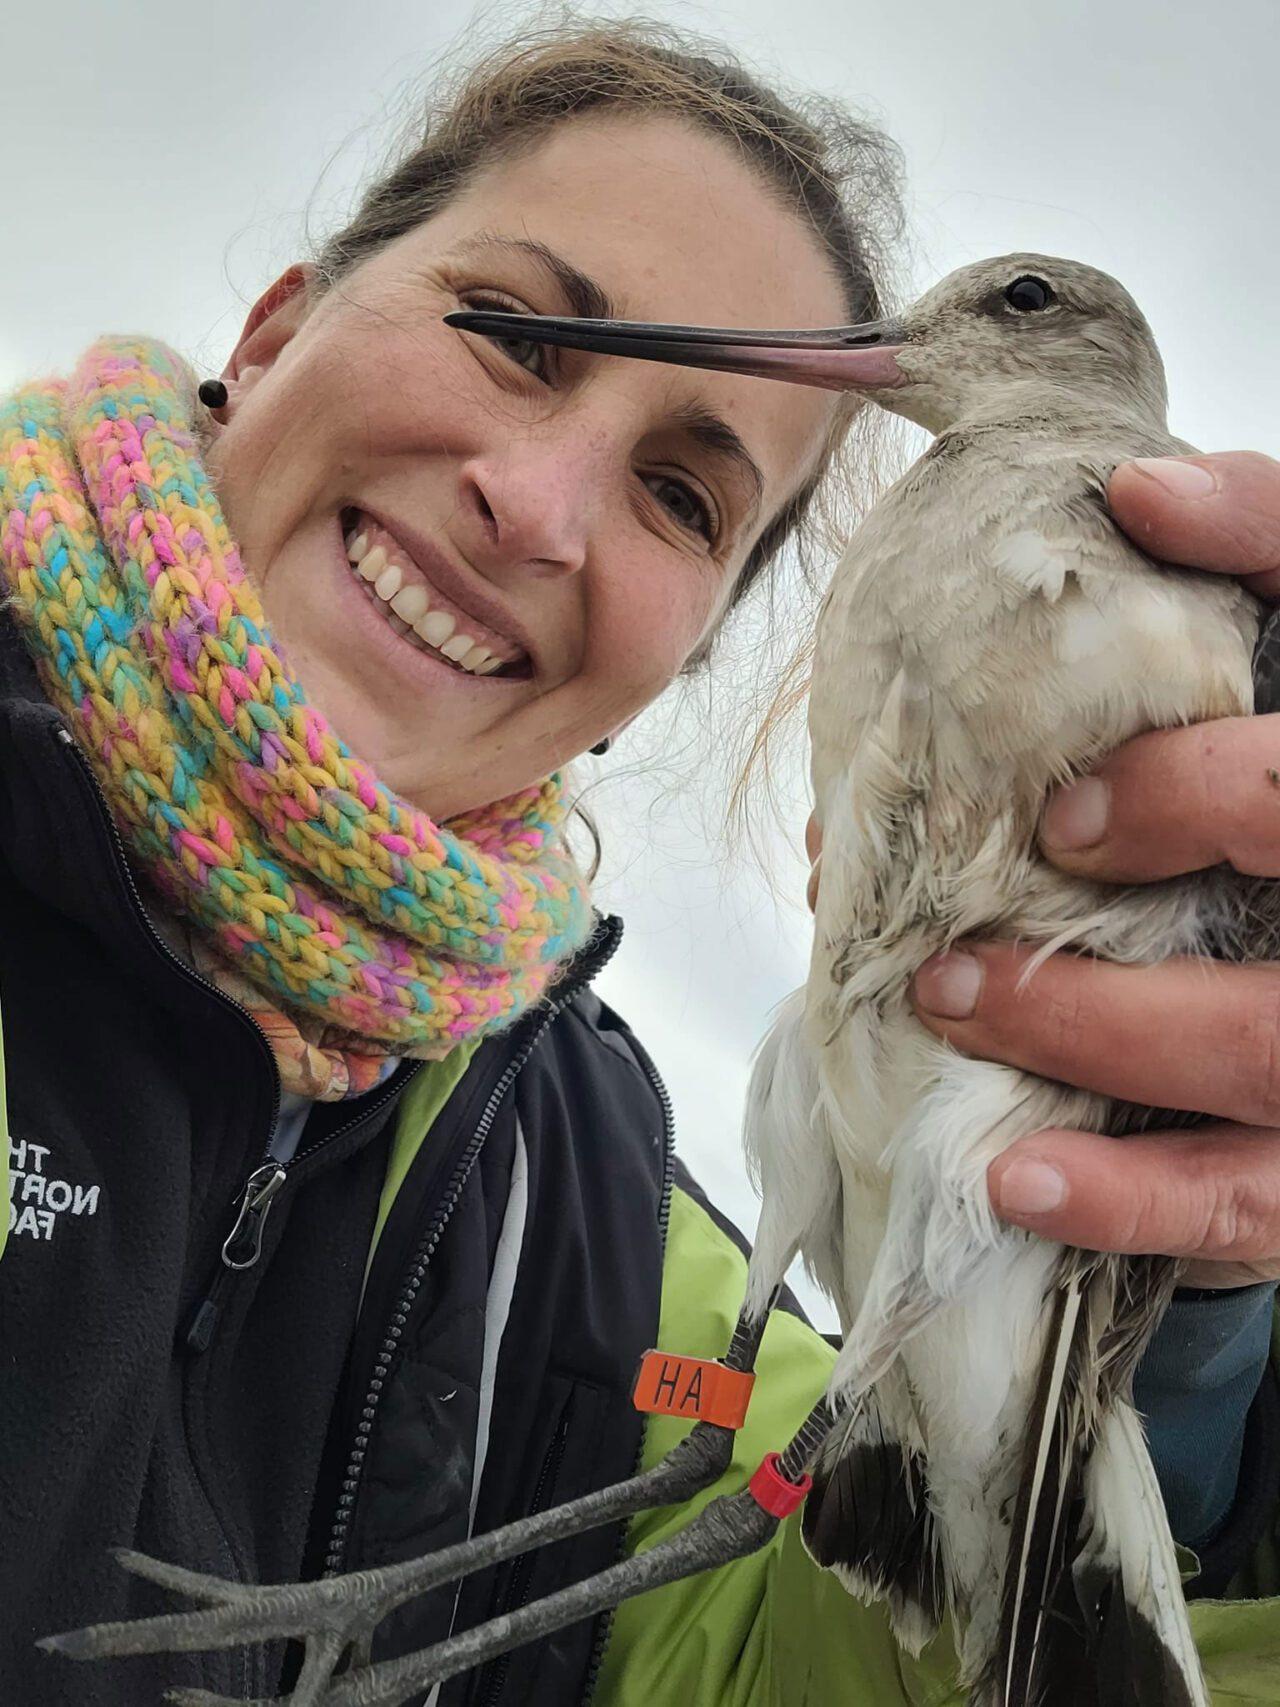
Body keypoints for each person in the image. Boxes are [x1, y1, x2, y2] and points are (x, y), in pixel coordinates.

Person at [0, 20, 1276, 1707]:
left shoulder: (590, 1179)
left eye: (682, 496)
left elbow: (815, 1661)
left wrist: (1204, 1351)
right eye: (517, 337)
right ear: (277, 327)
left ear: (675, 653)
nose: (534, 513)